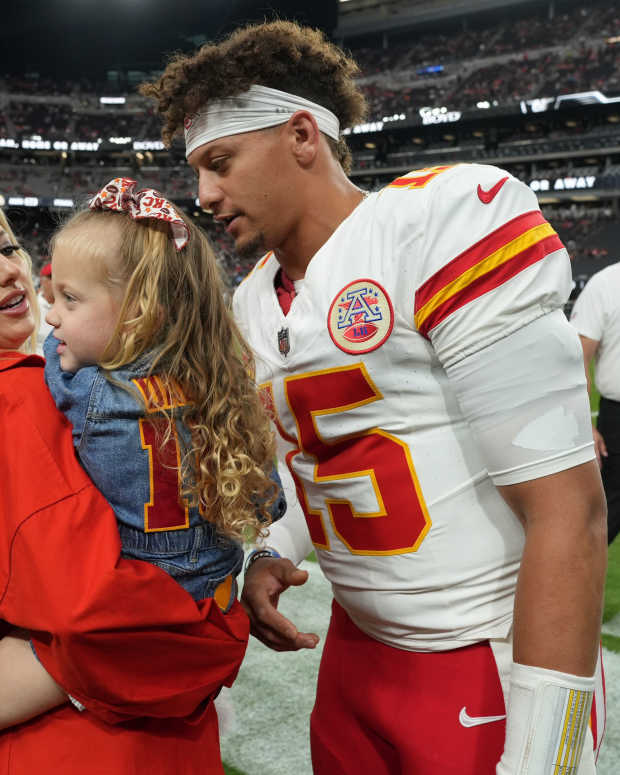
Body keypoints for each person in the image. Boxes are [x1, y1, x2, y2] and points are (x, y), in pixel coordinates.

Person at [142, 21, 607, 775]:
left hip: (481, 649)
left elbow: (569, 509)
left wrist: (544, 746)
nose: (204, 194)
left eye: (219, 162)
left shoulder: (439, 223)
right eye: (197, 169)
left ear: (301, 135)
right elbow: (309, 461)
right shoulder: (255, 302)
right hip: (359, 654)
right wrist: (271, 550)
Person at [0, 205, 250, 773]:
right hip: (94, 743)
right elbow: (111, 622)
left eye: (7, 247)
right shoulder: (20, 396)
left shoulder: (69, 375)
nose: (6, 272)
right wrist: (223, 615)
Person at [42, 177, 284, 607]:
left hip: (136, 598)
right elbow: (272, 503)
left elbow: (44, 369)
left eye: (69, 299)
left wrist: (60, 351)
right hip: (218, 594)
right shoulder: (223, 383)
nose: (53, 317)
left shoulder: (89, 389)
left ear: (137, 314)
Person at [571, 261, 620, 545]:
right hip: (616, 420)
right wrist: (583, 423)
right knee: (601, 522)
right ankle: (567, 588)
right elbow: (577, 359)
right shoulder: (606, 283)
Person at [35, 260, 53, 355]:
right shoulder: (31, 306)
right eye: (50, 277)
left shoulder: (70, 307)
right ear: (42, 280)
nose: (55, 281)